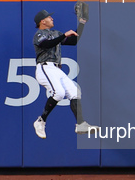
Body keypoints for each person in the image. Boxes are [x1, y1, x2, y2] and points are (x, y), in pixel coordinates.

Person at [32, 9, 97, 139]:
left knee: (75, 92)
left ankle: (81, 124)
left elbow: (74, 41)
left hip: (56, 69)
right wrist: (63, 35)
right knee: (59, 93)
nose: (52, 19)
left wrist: (82, 23)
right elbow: (46, 44)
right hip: (45, 67)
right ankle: (40, 121)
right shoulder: (39, 34)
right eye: (49, 17)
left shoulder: (55, 33)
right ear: (42, 21)